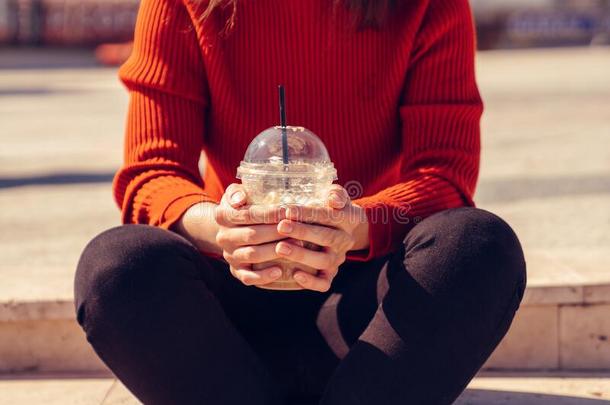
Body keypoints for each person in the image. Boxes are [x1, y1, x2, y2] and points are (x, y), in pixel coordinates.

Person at [74, 0, 526, 404]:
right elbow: (152, 174)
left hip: (370, 316)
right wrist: (226, 227)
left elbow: (444, 176)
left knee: (479, 246)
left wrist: (351, 224)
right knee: (116, 268)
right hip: (228, 313)